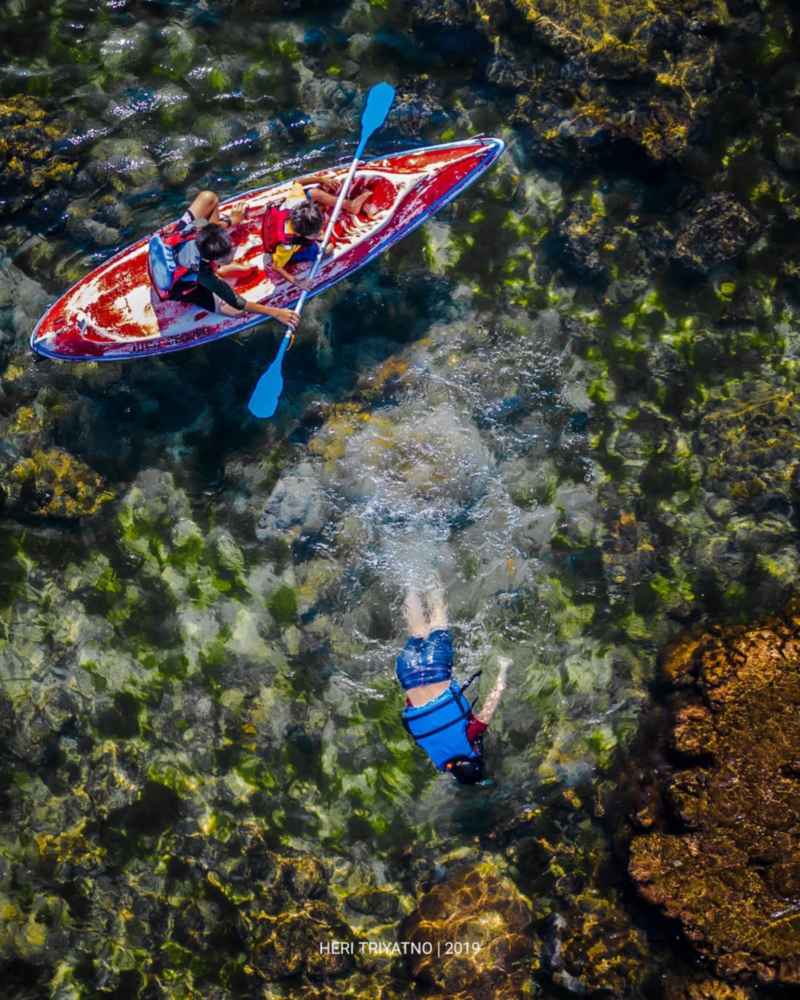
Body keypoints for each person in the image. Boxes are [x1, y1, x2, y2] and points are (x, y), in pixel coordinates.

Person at [396, 585, 510, 785]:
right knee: (417, 631)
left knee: (438, 619)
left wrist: (503, 669)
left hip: (436, 666)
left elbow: (494, 698)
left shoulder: (470, 738)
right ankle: (410, 583)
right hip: (407, 672)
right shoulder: (434, 755)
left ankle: (431, 575)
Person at [148, 189, 300, 331]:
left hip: (159, 257)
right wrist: (275, 312)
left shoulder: (192, 228)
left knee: (209, 197)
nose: (234, 249)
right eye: (230, 252)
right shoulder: (205, 275)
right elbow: (238, 302)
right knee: (235, 312)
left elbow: (211, 226)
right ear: (216, 261)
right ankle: (212, 281)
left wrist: (232, 220)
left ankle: (222, 269)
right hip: (175, 287)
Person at [262, 174, 375, 291]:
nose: (320, 232)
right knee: (329, 249)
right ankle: (312, 248)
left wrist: (321, 179)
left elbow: (298, 181)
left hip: (282, 223)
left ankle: (349, 205)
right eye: (315, 234)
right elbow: (276, 266)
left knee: (313, 193)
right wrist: (297, 282)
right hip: (286, 249)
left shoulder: (295, 200)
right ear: (300, 235)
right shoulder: (286, 246)